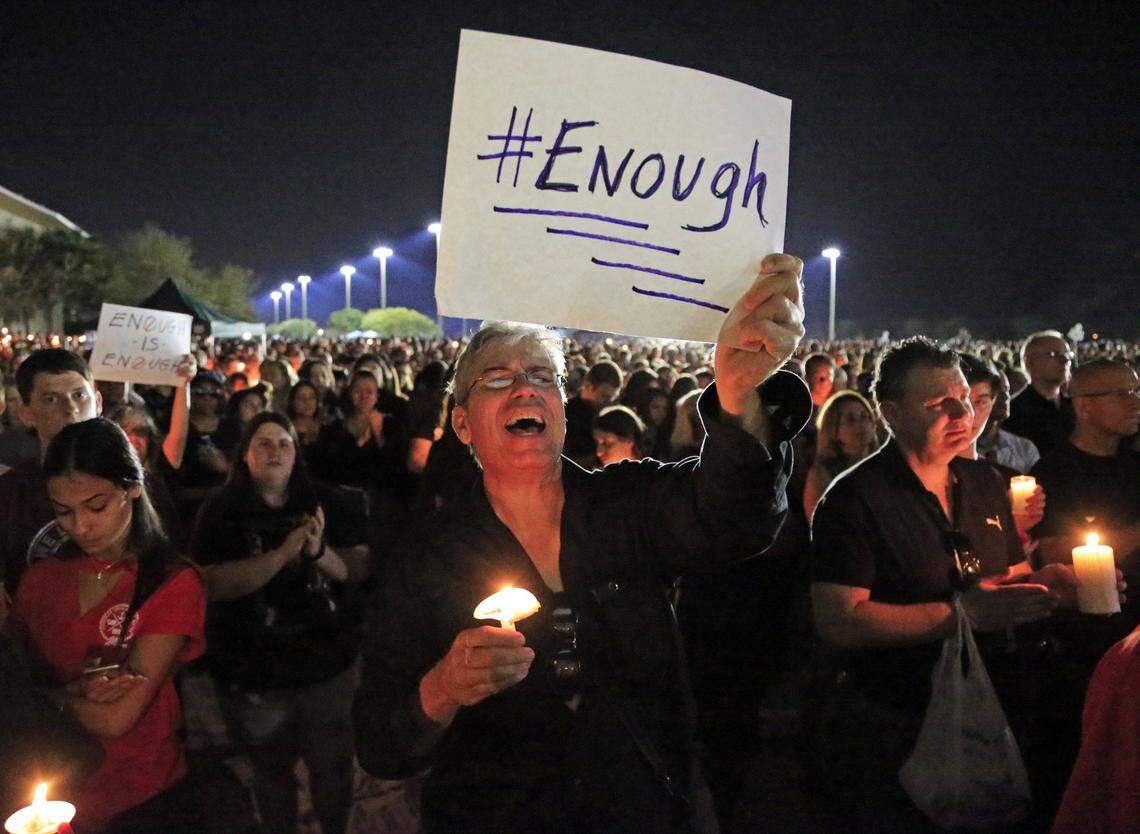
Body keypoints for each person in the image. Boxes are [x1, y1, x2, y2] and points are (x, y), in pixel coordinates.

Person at [353, 253, 810, 834]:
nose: (525, 388)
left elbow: (737, 519)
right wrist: (442, 689)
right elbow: (378, 741)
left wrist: (740, 396)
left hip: (643, 807)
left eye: (544, 376)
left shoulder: (630, 503)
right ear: (463, 424)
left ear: (564, 412)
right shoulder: (426, 558)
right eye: (498, 378)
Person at [809, 337, 1092, 829]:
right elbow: (839, 620)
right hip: (897, 718)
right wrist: (957, 616)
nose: (961, 412)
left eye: (964, 397)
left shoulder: (983, 482)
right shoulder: (855, 497)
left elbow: (1006, 578)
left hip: (991, 704)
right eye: (939, 403)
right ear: (892, 413)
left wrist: (1050, 584)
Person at [9, 418, 206, 833]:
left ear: (132, 487)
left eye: (95, 506)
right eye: (63, 511)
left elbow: (117, 718)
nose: (79, 526)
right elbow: (14, 683)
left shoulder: (171, 582)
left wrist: (51, 699)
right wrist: (70, 694)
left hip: (142, 793)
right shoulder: (40, 580)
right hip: (51, 787)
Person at [191, 412, 371, 834]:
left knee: (332, 768)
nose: (275, 451)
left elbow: (358, 569)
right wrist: (280, 555)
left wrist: (317, 553)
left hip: (326, 667)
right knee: (271, 772)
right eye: (264, 444)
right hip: (257, 672)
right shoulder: (221, 511)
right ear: (246, 456)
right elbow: (211, 584)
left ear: (296, 453)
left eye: (284, 443)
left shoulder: (324, 501)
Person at [0, 349, 102, 595]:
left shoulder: (135, 485)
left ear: (98, 403)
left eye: (79, 395)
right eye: (51, 399)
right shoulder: (8, 494)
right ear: (26, 413)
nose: (71, 410)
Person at [802, 390, 879, 523]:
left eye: (864, 416)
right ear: (834, 429)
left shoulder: (882, 467)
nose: (861, 424)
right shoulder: (822, 475)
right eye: (850, 419)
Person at [1003, 331, 1076, 456]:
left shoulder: (1076, 406)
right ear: (1030, 361)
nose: (1065, 360)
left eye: (1068, 354)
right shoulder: (1014, 412)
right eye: (1055, 354)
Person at [563, 360, 622, 469]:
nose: (608, 403)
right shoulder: (564, 413)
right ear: (588, 386)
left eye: (612, 398)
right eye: (605, 397)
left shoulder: (610, 416)